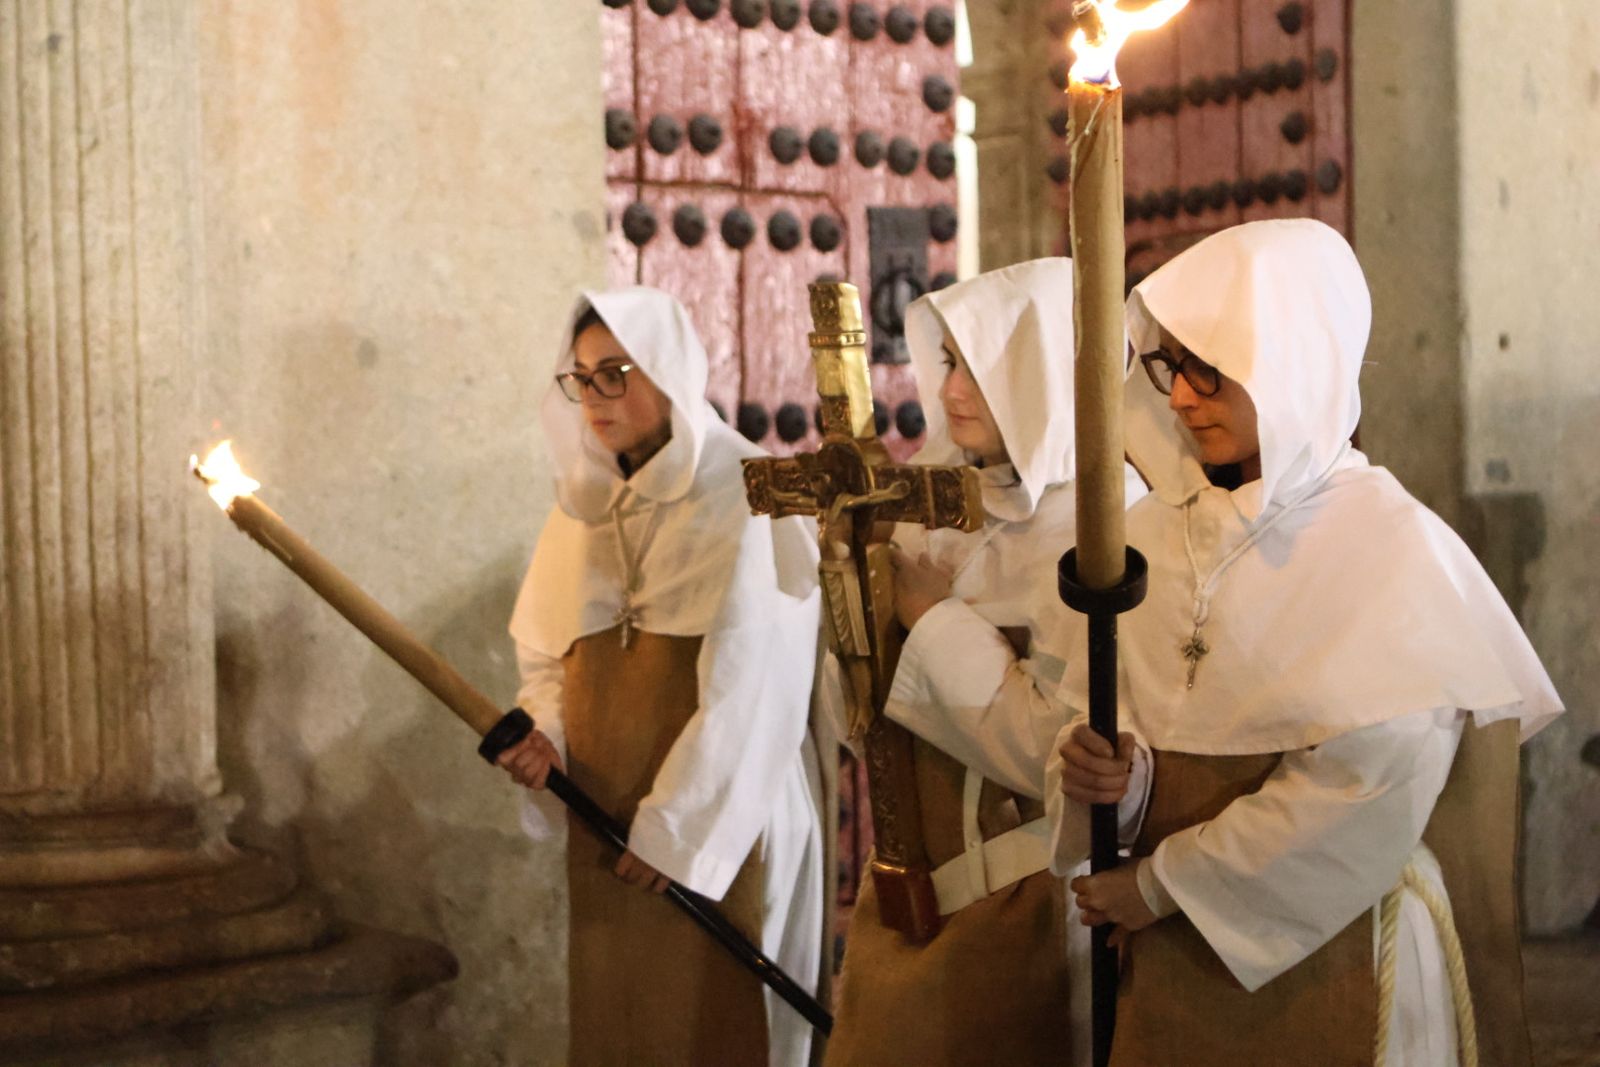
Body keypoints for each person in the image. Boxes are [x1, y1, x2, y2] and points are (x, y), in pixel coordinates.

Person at [1049, 219, 1563, 1066]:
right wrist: (1122, 783)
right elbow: (1120, 729)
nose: (1179, 398)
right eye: (1170, 365)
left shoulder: (1389, 545)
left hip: (1333, 941)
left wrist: (1161, 883)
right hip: (1170, 958)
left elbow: (1371, 784)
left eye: (1209, 368)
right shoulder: (1141, 536)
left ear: (1293, 361)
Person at [823, 259, 1146, 1067]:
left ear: (1044, 372)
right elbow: (861, 724)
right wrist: (850, 598)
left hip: (1026, 906)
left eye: (980, 366)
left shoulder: (1107, 525)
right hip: (904, 903)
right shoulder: (924, 502)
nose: (951, 389)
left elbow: (1056, 752)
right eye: (948, 362)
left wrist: (933, 619)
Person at [496, 287, 826, 1067]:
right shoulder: (581, 504)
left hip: (723, 820)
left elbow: (756, 686)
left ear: (669, 370)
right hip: (606, 816)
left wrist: (676, 830)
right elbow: (547, 658)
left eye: (616, 372)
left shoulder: (748, 487)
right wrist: (545, 739)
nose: (594, 397)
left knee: (720, 1027)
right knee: (622, 1024)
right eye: (581, 378)